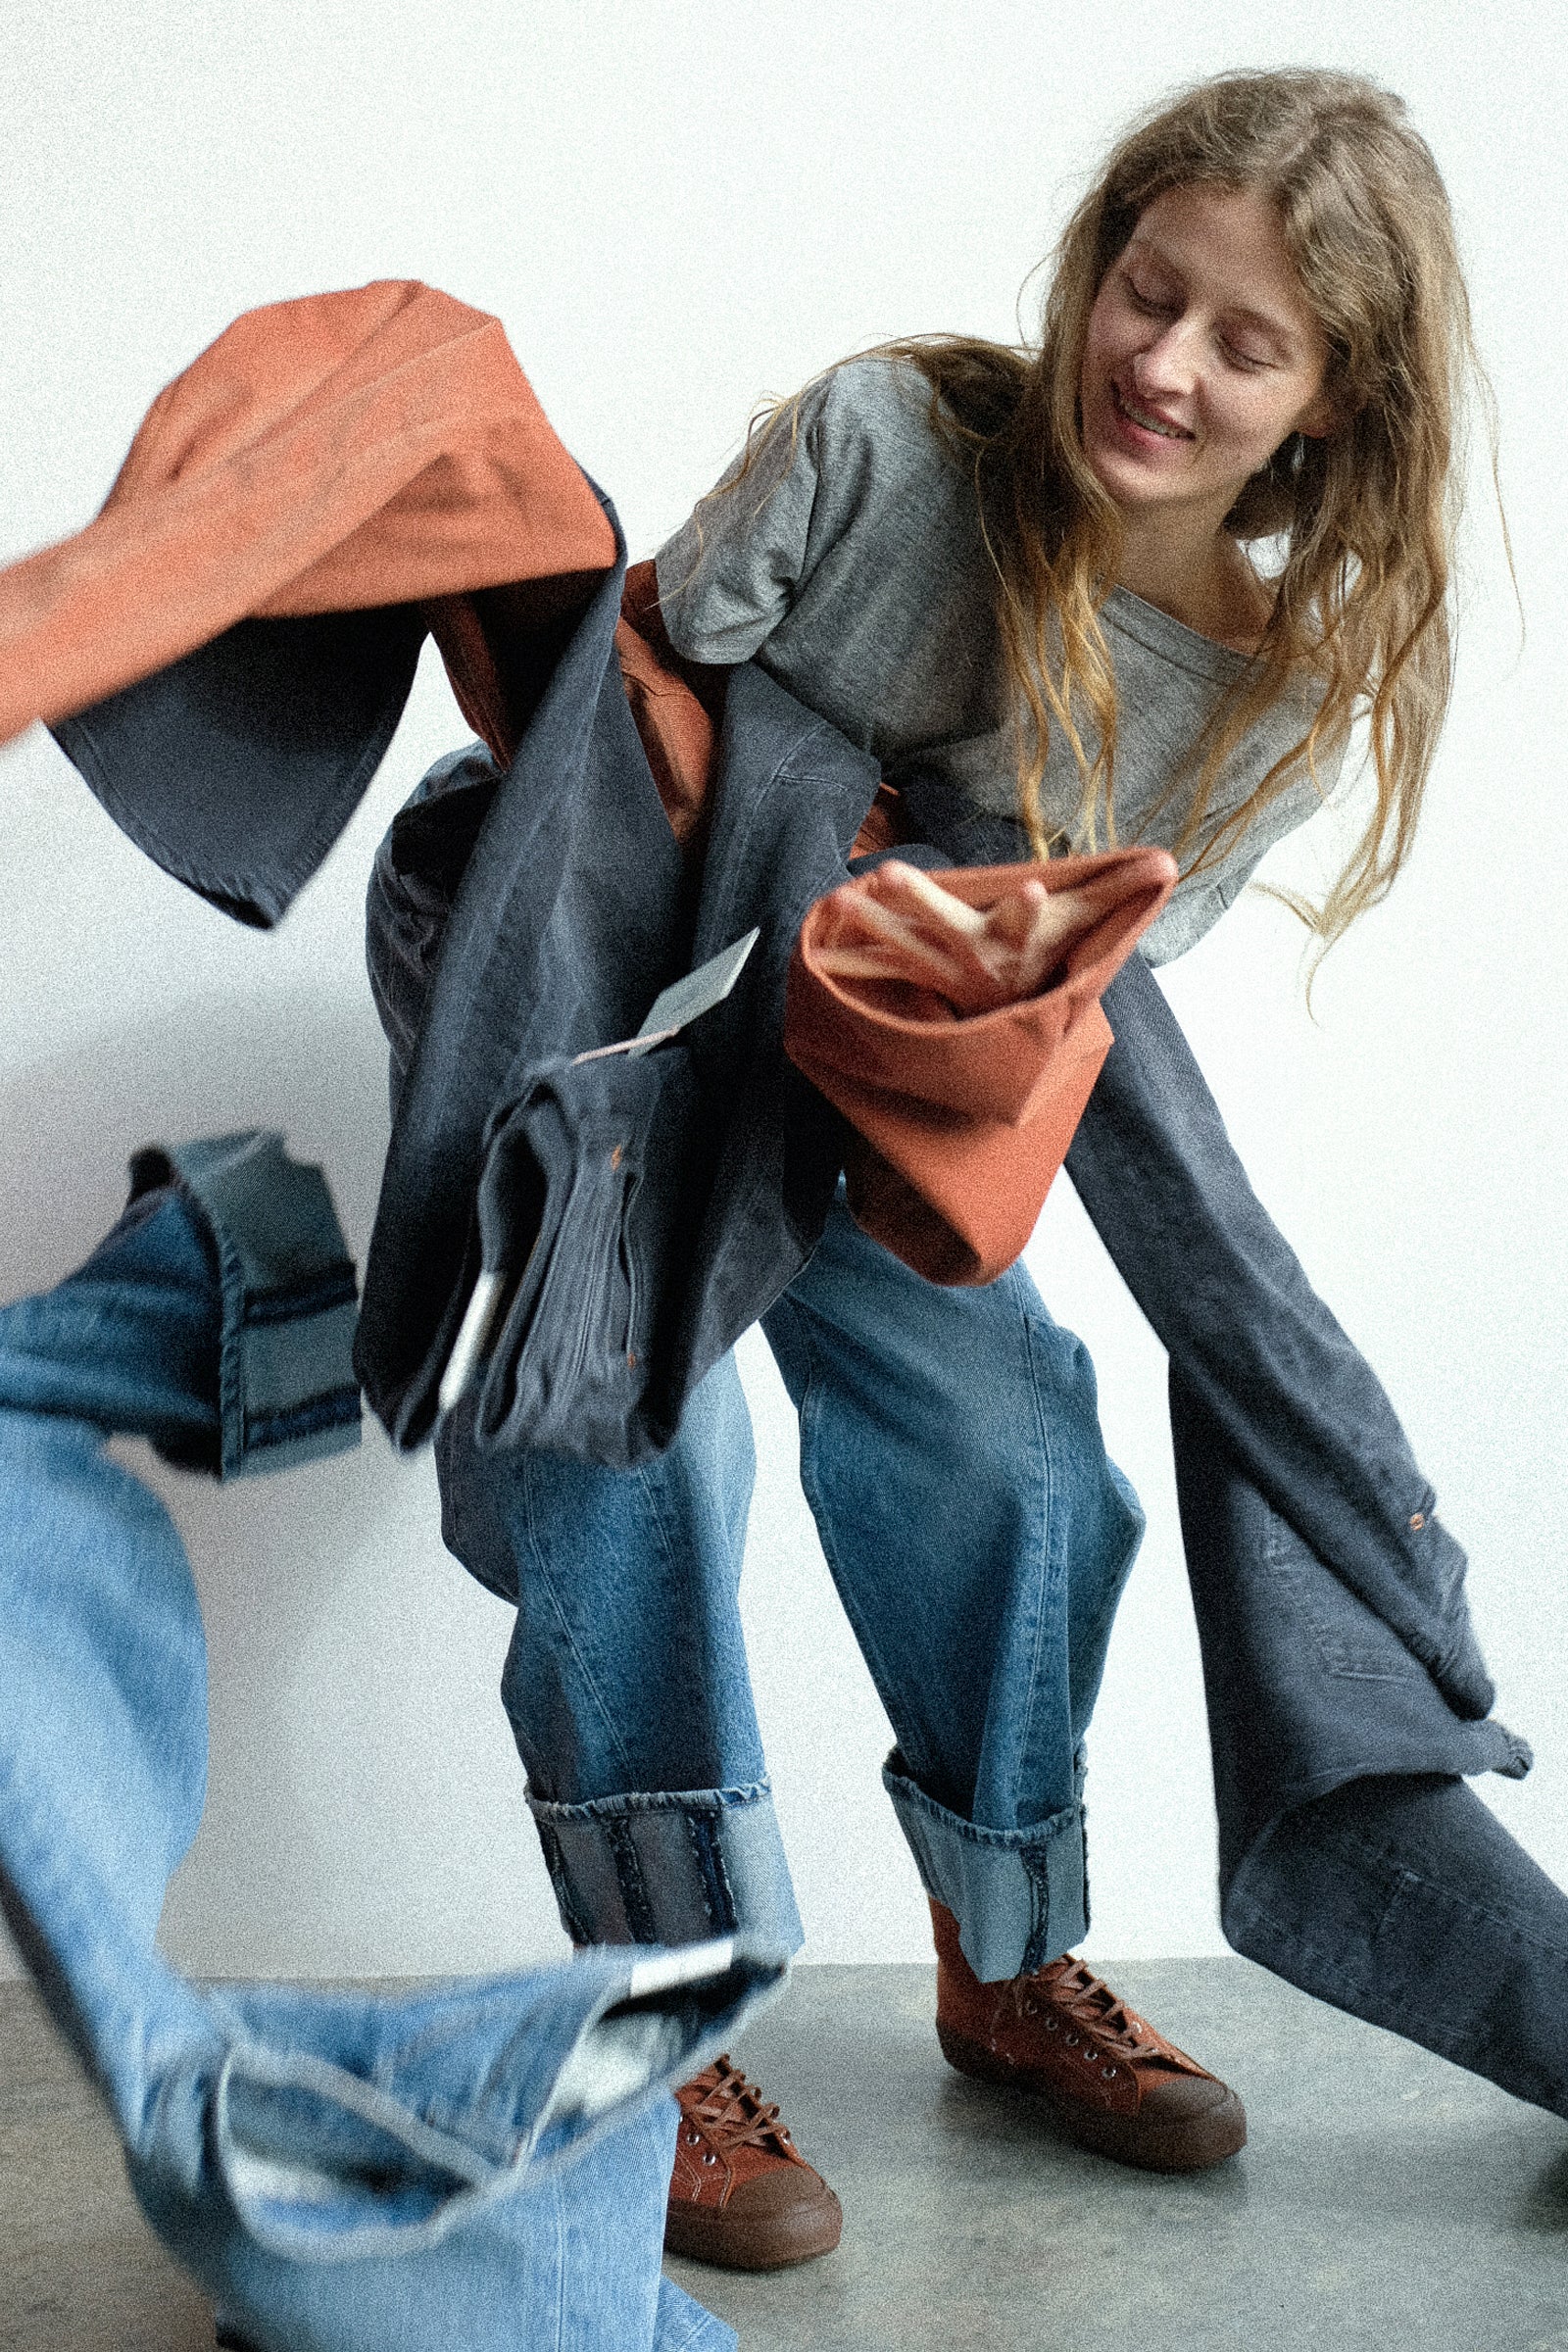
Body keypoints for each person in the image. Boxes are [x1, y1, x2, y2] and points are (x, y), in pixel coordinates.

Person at [428, 63, 1497, 2270]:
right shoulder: (886, 443)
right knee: (633, 1444)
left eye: (1242, 342)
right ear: (1096, 258)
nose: (1161, 362)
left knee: (1024, 1447)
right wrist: (843, 846)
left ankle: (1000, 1963)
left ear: (1326, 408)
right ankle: (661, 2008)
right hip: (614, 984)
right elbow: (619, 728)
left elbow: (1061, 1012)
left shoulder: (1267, 703)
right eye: (1146, 287)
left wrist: (925, 939)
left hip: (875, 1086)